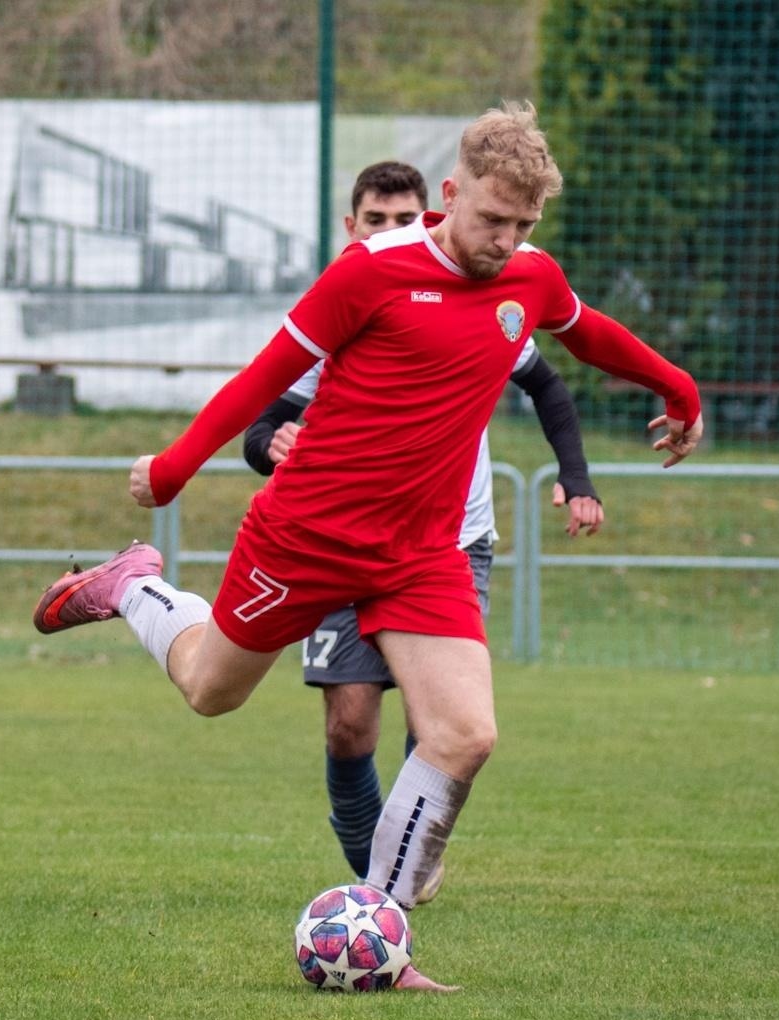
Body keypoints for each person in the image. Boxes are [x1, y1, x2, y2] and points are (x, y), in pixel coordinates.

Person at [33, 102, 703, 988]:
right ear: (452, 194)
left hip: (422, 553)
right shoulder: (369, 273)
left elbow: (590, 335)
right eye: (491, 219)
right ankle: (130, 586)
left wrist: (678, 386)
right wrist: (173, 467)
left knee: (463, 735)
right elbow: (264, 378)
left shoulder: (530, 280)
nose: (504, 240)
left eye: (522, 226)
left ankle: (379, 942)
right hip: (306, 536)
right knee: (208, 690)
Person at [241, 160, 601, 904]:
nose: (395, 232)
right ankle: (374, 869)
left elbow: (547, 379)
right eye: (378, 221)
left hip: (451, 538)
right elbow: (265, 416)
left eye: (405, 217)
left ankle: (385, 894)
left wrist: (578, 474)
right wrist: (269, 443)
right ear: (354, 228)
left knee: (444, 720)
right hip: (342, 540)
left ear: (435, 211)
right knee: (348, 722)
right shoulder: (351, 302)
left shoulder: (493, 295)